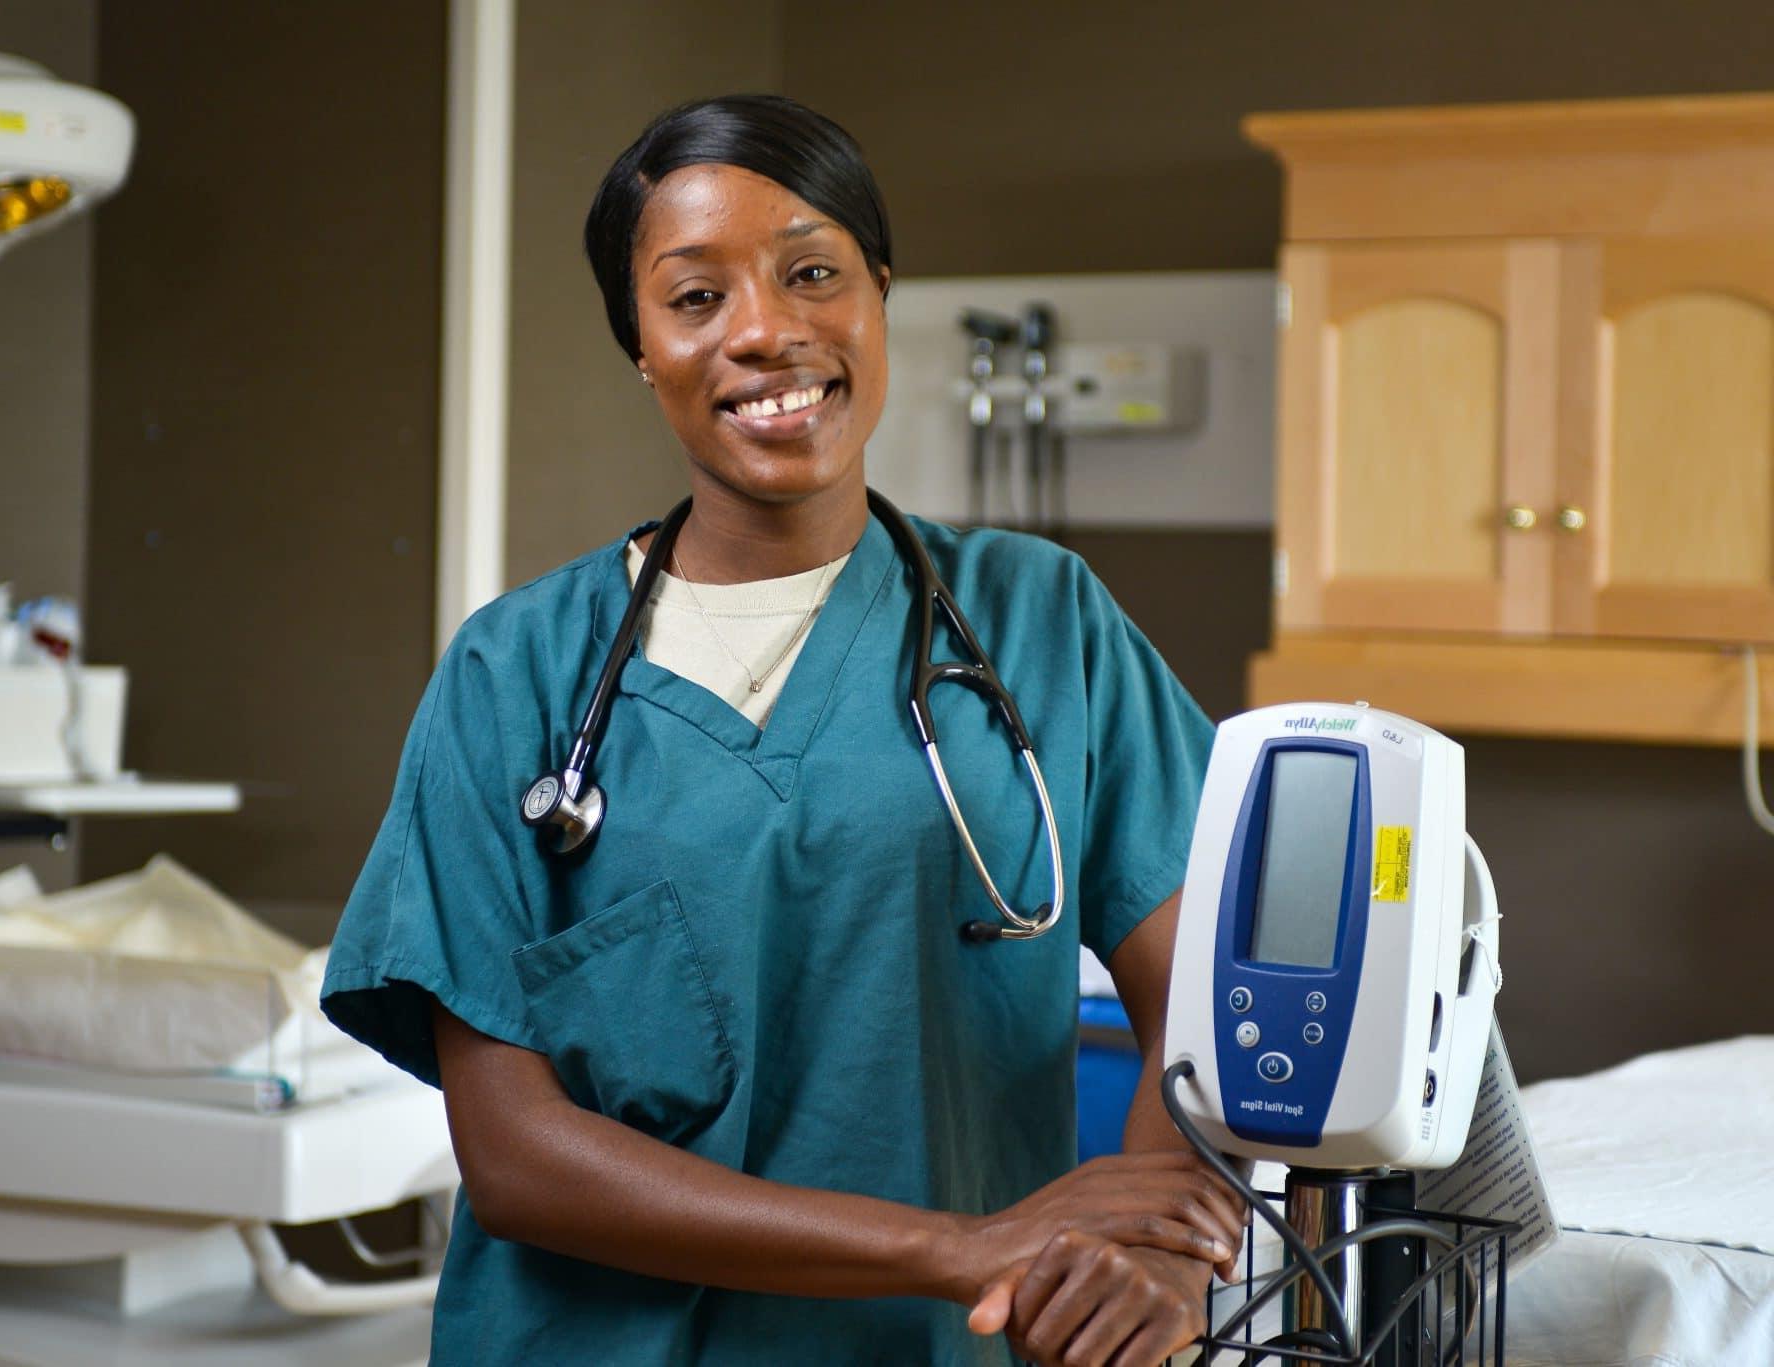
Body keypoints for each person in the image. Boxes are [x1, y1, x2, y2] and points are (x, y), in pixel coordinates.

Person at [323, 94, 1241, 1366]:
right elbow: (516, 1154)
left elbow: (1215, 1000)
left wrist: (1147, 1255)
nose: (763, 330)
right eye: (693, 299)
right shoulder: (514, 672)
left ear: (878, 294)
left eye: (812, 273)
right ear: (639, 346)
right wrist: (955, 1245)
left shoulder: (1044, 622)